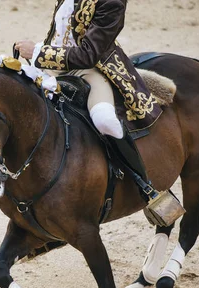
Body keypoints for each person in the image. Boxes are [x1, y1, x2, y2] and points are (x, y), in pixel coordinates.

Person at [15, 0, 169, 210]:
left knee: (105, 121)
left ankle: (146, 187)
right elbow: (60, 34)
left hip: (93, 70)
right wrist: (39, 54)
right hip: (54, 67)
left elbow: (88, 55)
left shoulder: (111, 2)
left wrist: (37, 52)